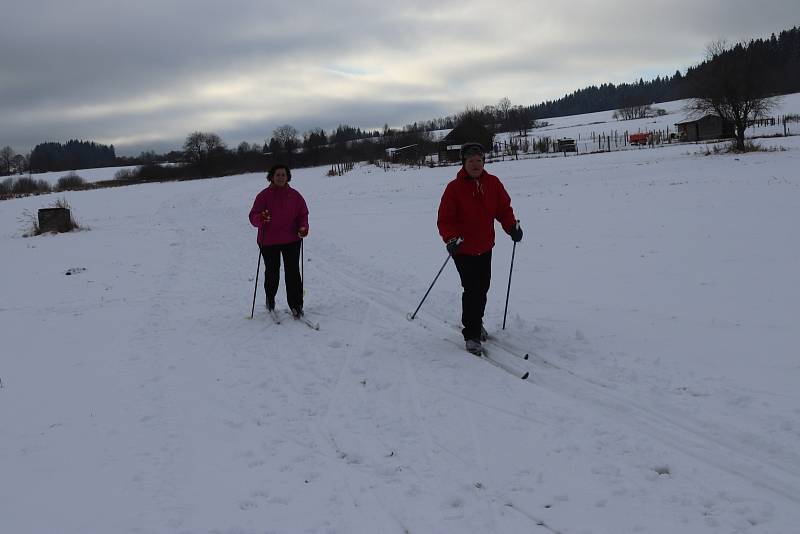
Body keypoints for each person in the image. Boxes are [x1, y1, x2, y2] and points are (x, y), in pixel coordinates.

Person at [437, 142, 523, 355]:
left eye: (479, 160)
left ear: (484, 162)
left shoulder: (493, 183)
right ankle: (471, 334)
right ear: (463, 163)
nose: (475, 164)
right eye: (471, 161)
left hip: (485, 246)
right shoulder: (453, 188)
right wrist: (451, 239)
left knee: (483, 288)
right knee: (472, 289)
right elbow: (445, 219)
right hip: (463, 249)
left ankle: (477, 322)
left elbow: (503, 209)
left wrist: (511, 227)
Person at [249, 164, 309, 317]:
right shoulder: (263, 196)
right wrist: (260, 218)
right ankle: (270, 299)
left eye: (283, 175)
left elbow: (303, 214)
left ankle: (296, 305)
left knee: (293, 273)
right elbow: (253, 217)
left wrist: (303, 227)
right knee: (272, 272)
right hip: (268, 241)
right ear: (272, 177)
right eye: (278, 175)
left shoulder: (295, 196)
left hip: (292, 239)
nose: (281, 177)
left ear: (288, 177)